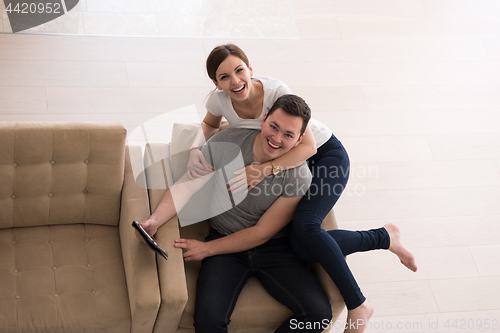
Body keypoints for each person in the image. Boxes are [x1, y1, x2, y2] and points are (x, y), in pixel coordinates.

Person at [185, 44, 418, 333]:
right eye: (224, 76)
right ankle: (384, 237)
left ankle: (358, 303)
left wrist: (264, 169)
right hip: (285, 157)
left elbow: (305, 145)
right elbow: (208, 125)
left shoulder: (276, 92)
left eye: (239, 70)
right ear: (216, 83)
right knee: (301, 245)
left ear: (250, 68)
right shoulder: (221, 100)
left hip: (320, 155)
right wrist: (196, 148)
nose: (234, 81)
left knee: (304, 232)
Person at [139, 94, 334, 332]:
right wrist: (154, 220)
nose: (276, 139)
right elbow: (187, 184)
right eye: (274, 127)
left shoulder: (300, 176)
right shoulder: (228, 142)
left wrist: (206, 249)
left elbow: (262, 233)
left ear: (299, 139)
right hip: (224, 240)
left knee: (319, 314)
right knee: (208, 322)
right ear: (263, 120)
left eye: (288, 135)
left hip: (274, 248)